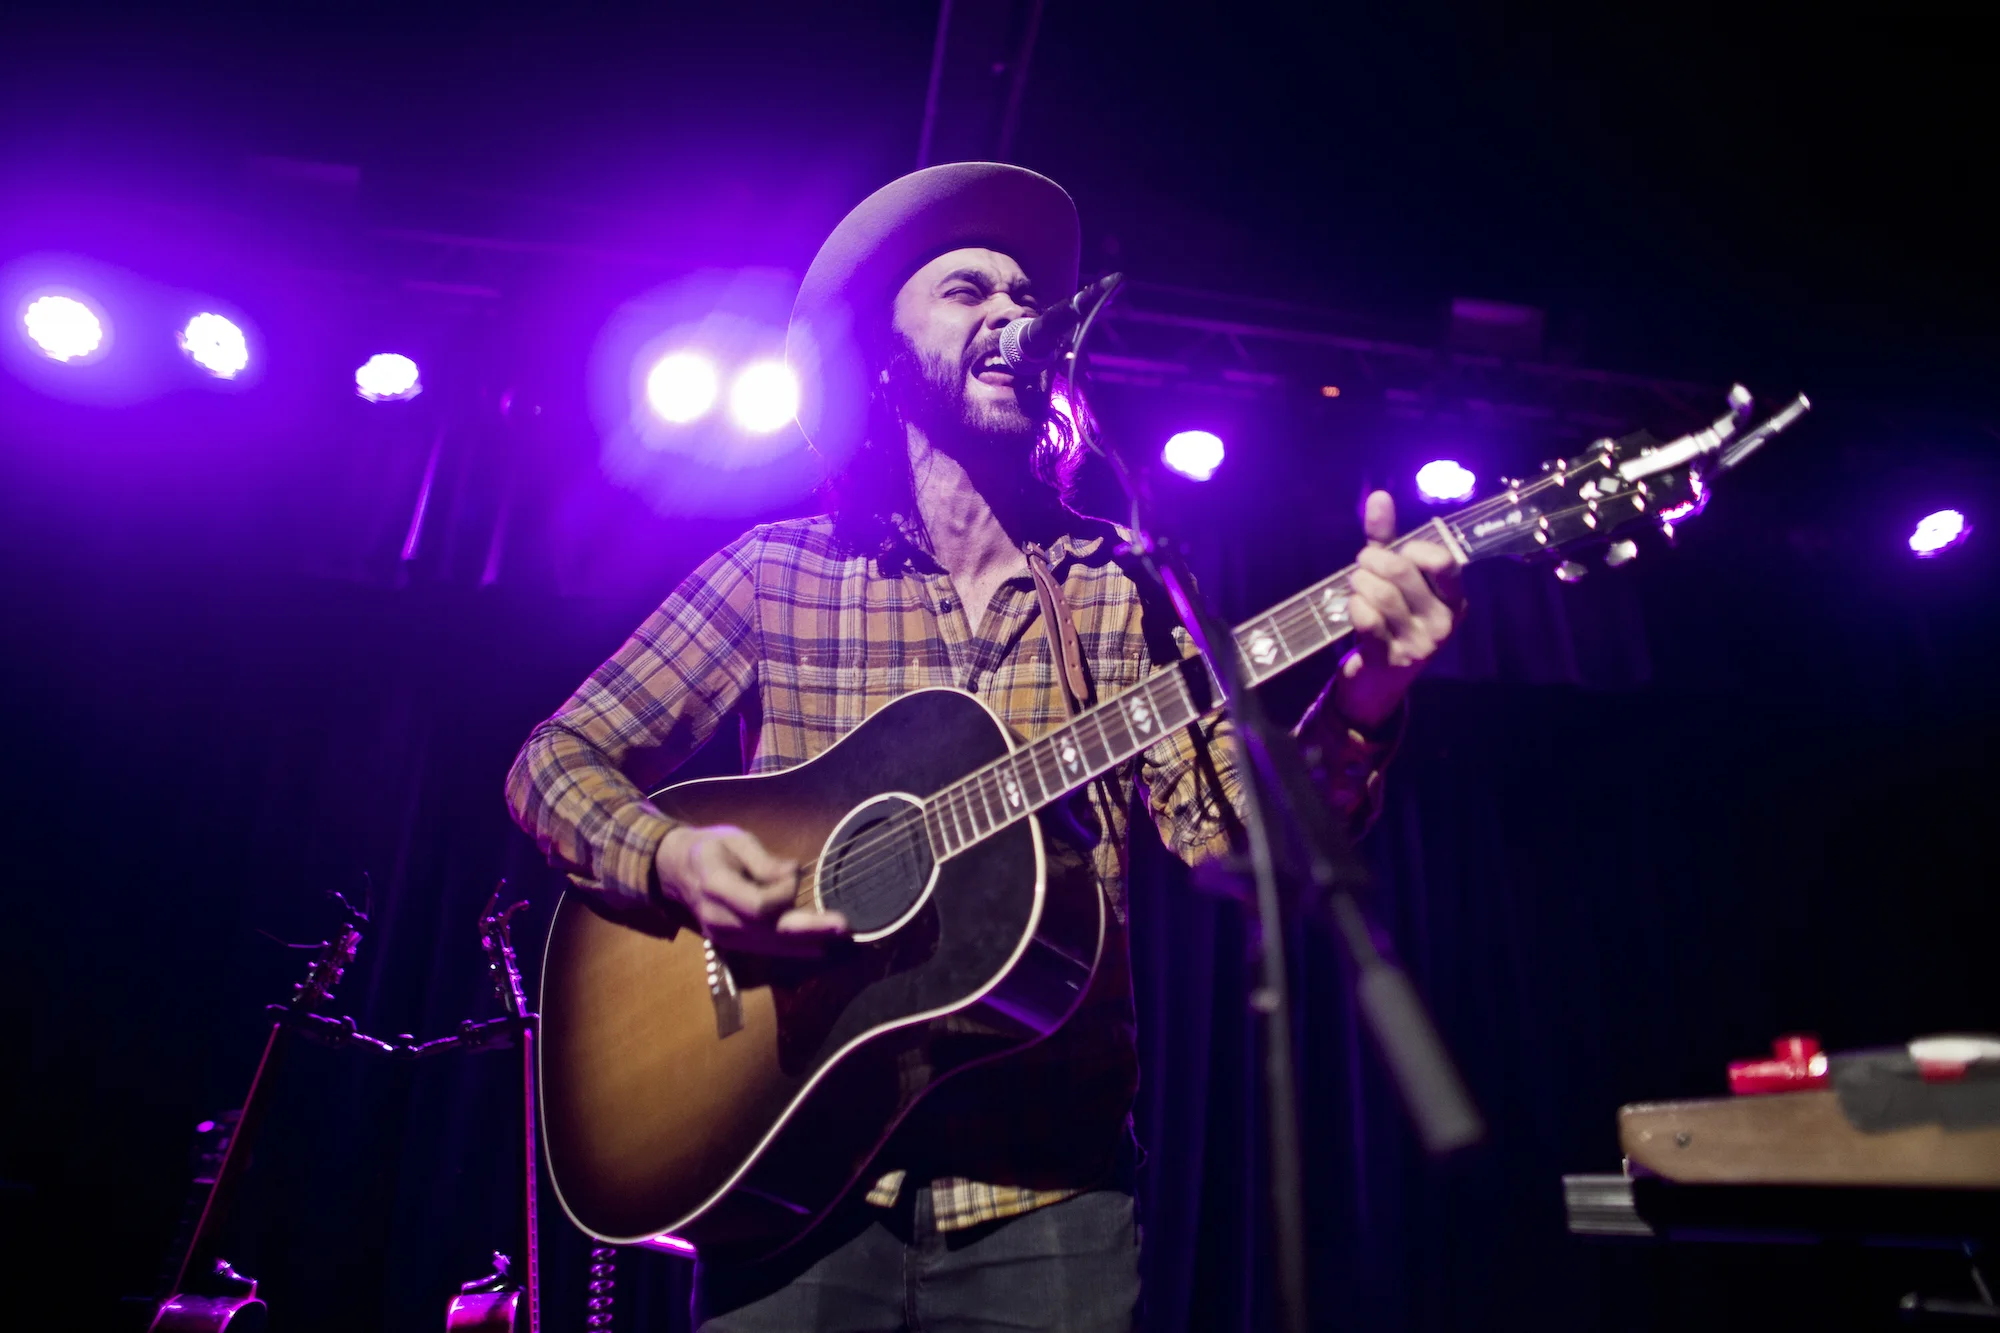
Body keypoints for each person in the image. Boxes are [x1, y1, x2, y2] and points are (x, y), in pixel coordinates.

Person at [506, 162, 1464, 1332]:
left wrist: (1365, 694)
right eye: (967, 290)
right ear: (883, 353)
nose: (1013, 311)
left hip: (1048, 1198)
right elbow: (555, 762)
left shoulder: (1124, 583)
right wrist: (669, 858)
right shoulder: (778, 572)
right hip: (789, 1183)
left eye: (1025, 293)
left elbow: (1228, 842)